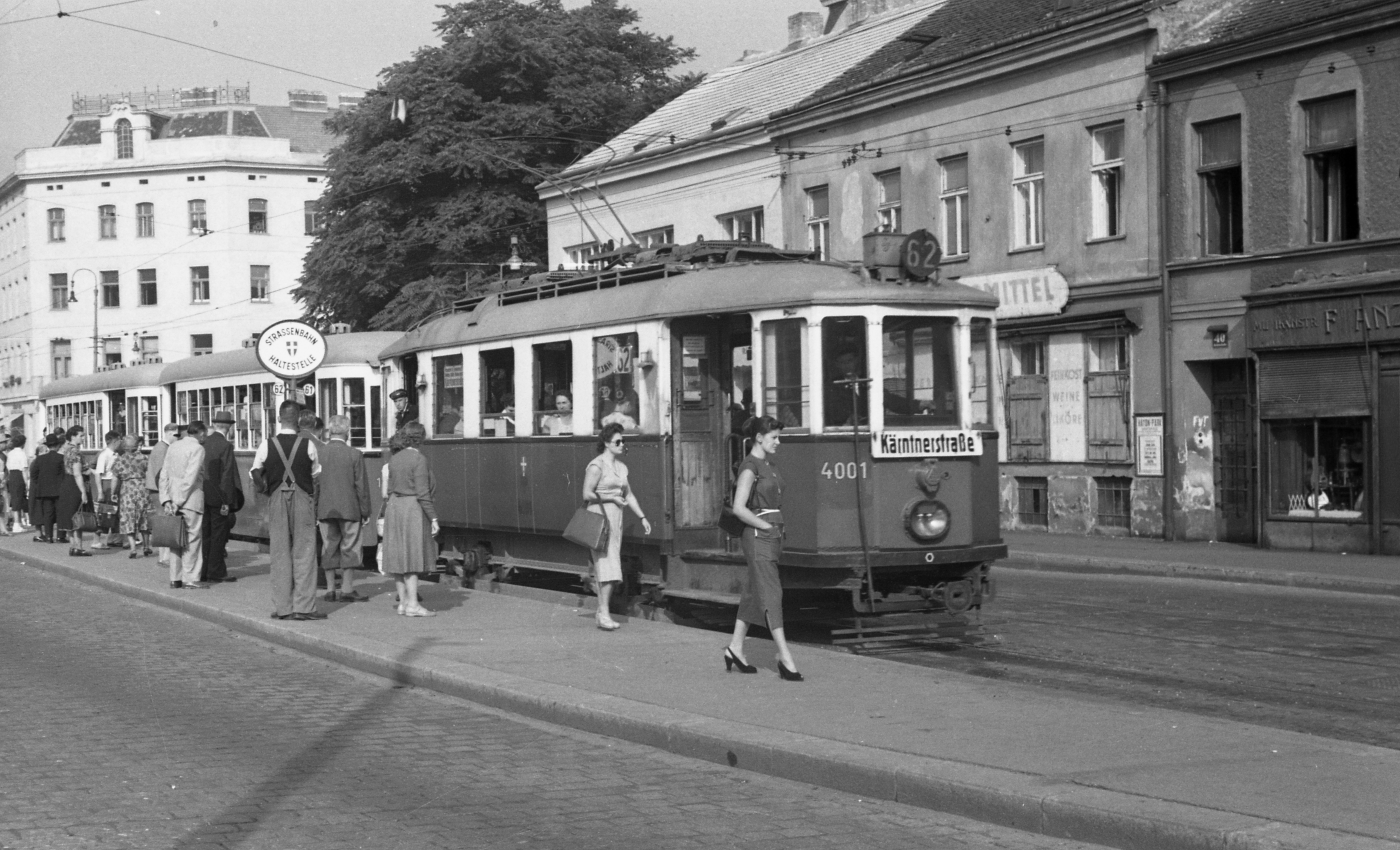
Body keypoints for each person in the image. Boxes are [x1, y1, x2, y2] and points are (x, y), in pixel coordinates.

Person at [724, 415, 802, 681]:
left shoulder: (769, 465)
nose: (778, 442)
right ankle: (784, 656)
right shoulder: (750, 467)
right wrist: (766, 526)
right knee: (772, 593)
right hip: (759, 536)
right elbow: (738, 508)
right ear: (759, 438)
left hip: (772, 535)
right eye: (774, 437)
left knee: (754, 592)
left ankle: (735, 647)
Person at [252, 400, 324, 621]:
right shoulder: (308, 445)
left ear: (279, 418)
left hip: (276, 498)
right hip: (302, 498)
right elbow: (316, 473)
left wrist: (265, 487)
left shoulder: (267, 444)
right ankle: (304, 608)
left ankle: (283, 607)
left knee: (280, 552)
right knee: (305, 552)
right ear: (298, 420)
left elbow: (255, 471)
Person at [581, 422, 652, 631]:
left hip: (615, 518)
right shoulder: (596, 466)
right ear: (606, 443)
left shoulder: (621, 467)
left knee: (609, 565)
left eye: (623, 441)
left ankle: (602, 612)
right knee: (607, 565)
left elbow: (628, 495)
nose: (622, 444)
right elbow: (587, 493)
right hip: (600, 516)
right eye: (618, 441)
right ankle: (603, 612)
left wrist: (642, 517)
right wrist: (612, 498)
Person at [381, 421, 438, 617]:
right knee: (412, 557)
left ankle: (403, 603)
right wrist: (434, 518)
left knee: (397, 557)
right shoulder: (419, 459)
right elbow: (423, 493)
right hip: (411, 509)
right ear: (421, 438)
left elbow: (389, 490)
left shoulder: (394, 458)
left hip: (394, 507)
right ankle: (413, 604)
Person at [316, 414, 372, 602]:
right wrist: (365, 511)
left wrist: (316, 508)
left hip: (324, 509)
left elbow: (314, 484)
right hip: (350, 509)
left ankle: (330, 590)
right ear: (347, 432)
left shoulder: (319, 453)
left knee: (329, 547)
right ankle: (347, 589)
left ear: (329, 431)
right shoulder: (355, 454)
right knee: (350, 548)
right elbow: (361, 486)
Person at [160, 421, 208, 589]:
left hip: (171, 499)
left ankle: (175, 578)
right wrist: (179, 501)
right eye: (205, 434)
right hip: (189, 501)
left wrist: (167, 500)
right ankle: (191, 578)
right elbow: (190, 478)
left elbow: (164, 473)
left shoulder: (173, 446)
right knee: (192, 539)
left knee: (176, 540)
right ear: (201, 433)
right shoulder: (198, 449)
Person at [201, 411, 243, 583]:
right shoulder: (225, 446)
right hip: (219, 497)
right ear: (229, 427)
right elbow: (227, 476)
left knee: (205, 533)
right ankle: (216, 570)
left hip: (202, 495)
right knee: (219, 533)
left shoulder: (203, 442)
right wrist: (228, 501)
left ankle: (202, 570)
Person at [146, 423, 182, 573]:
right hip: (158, 490)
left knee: (163, 520)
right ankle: (164, 557)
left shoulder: (161, 447)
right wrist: (166, 494)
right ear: (169, 433)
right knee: (163, 521)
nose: (178, 438)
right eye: (176, 435)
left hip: (156, 489)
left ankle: (164, 556)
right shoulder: (162, 449)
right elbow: (161, 473)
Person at [110, 435, 152, 558]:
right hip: (142, 489)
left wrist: (113, 493)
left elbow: (115, 478)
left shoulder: (120, 460)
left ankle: (133, 548)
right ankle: (146, 546)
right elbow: (149, 473)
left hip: (127, 490)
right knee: (144, 517)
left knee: (129, 518)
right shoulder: (144, 458)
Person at [56, 426, 90, 556]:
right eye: (81, 435)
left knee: (70, 516)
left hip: (66, 484)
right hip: (75, 485)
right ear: (73, 436)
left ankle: (72, 546)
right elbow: (77, 473)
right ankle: (79, 547)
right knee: (78, 516)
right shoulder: (76, 452)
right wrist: (83, 492)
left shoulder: (66, 449)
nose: (83, 437)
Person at [29, 434, 64, 543]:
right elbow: (64, 474)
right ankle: (60, 536)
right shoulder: (61, 458)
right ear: (57, 445)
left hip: (44, 490)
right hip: (59, 490)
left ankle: (49, 536)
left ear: (48, 446)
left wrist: (40, 483)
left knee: (48, 514)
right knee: (60, 513)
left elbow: (33, 474)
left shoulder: (40, 459)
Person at [93, 430, 123, 548]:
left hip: (115, 484)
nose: (121, 443)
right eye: (119, 440)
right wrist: (100, 492)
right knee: (106, 513)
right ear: (115, 441)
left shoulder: (116, 454)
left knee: (115, 512)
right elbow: (98, 474)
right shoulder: (104, 455)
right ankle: (98, 541)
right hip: (107, 485)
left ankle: (114, 538)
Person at [6, 434, 28, 532]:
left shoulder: (10, 453)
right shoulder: (22, 453)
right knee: (18, 499)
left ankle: (17, 522)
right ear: (23, 443)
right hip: (19, 475)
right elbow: (24, 469)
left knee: (15, 498)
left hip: (12, 475)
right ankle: (16, 524)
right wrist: (26, 482)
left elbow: (8, 466)